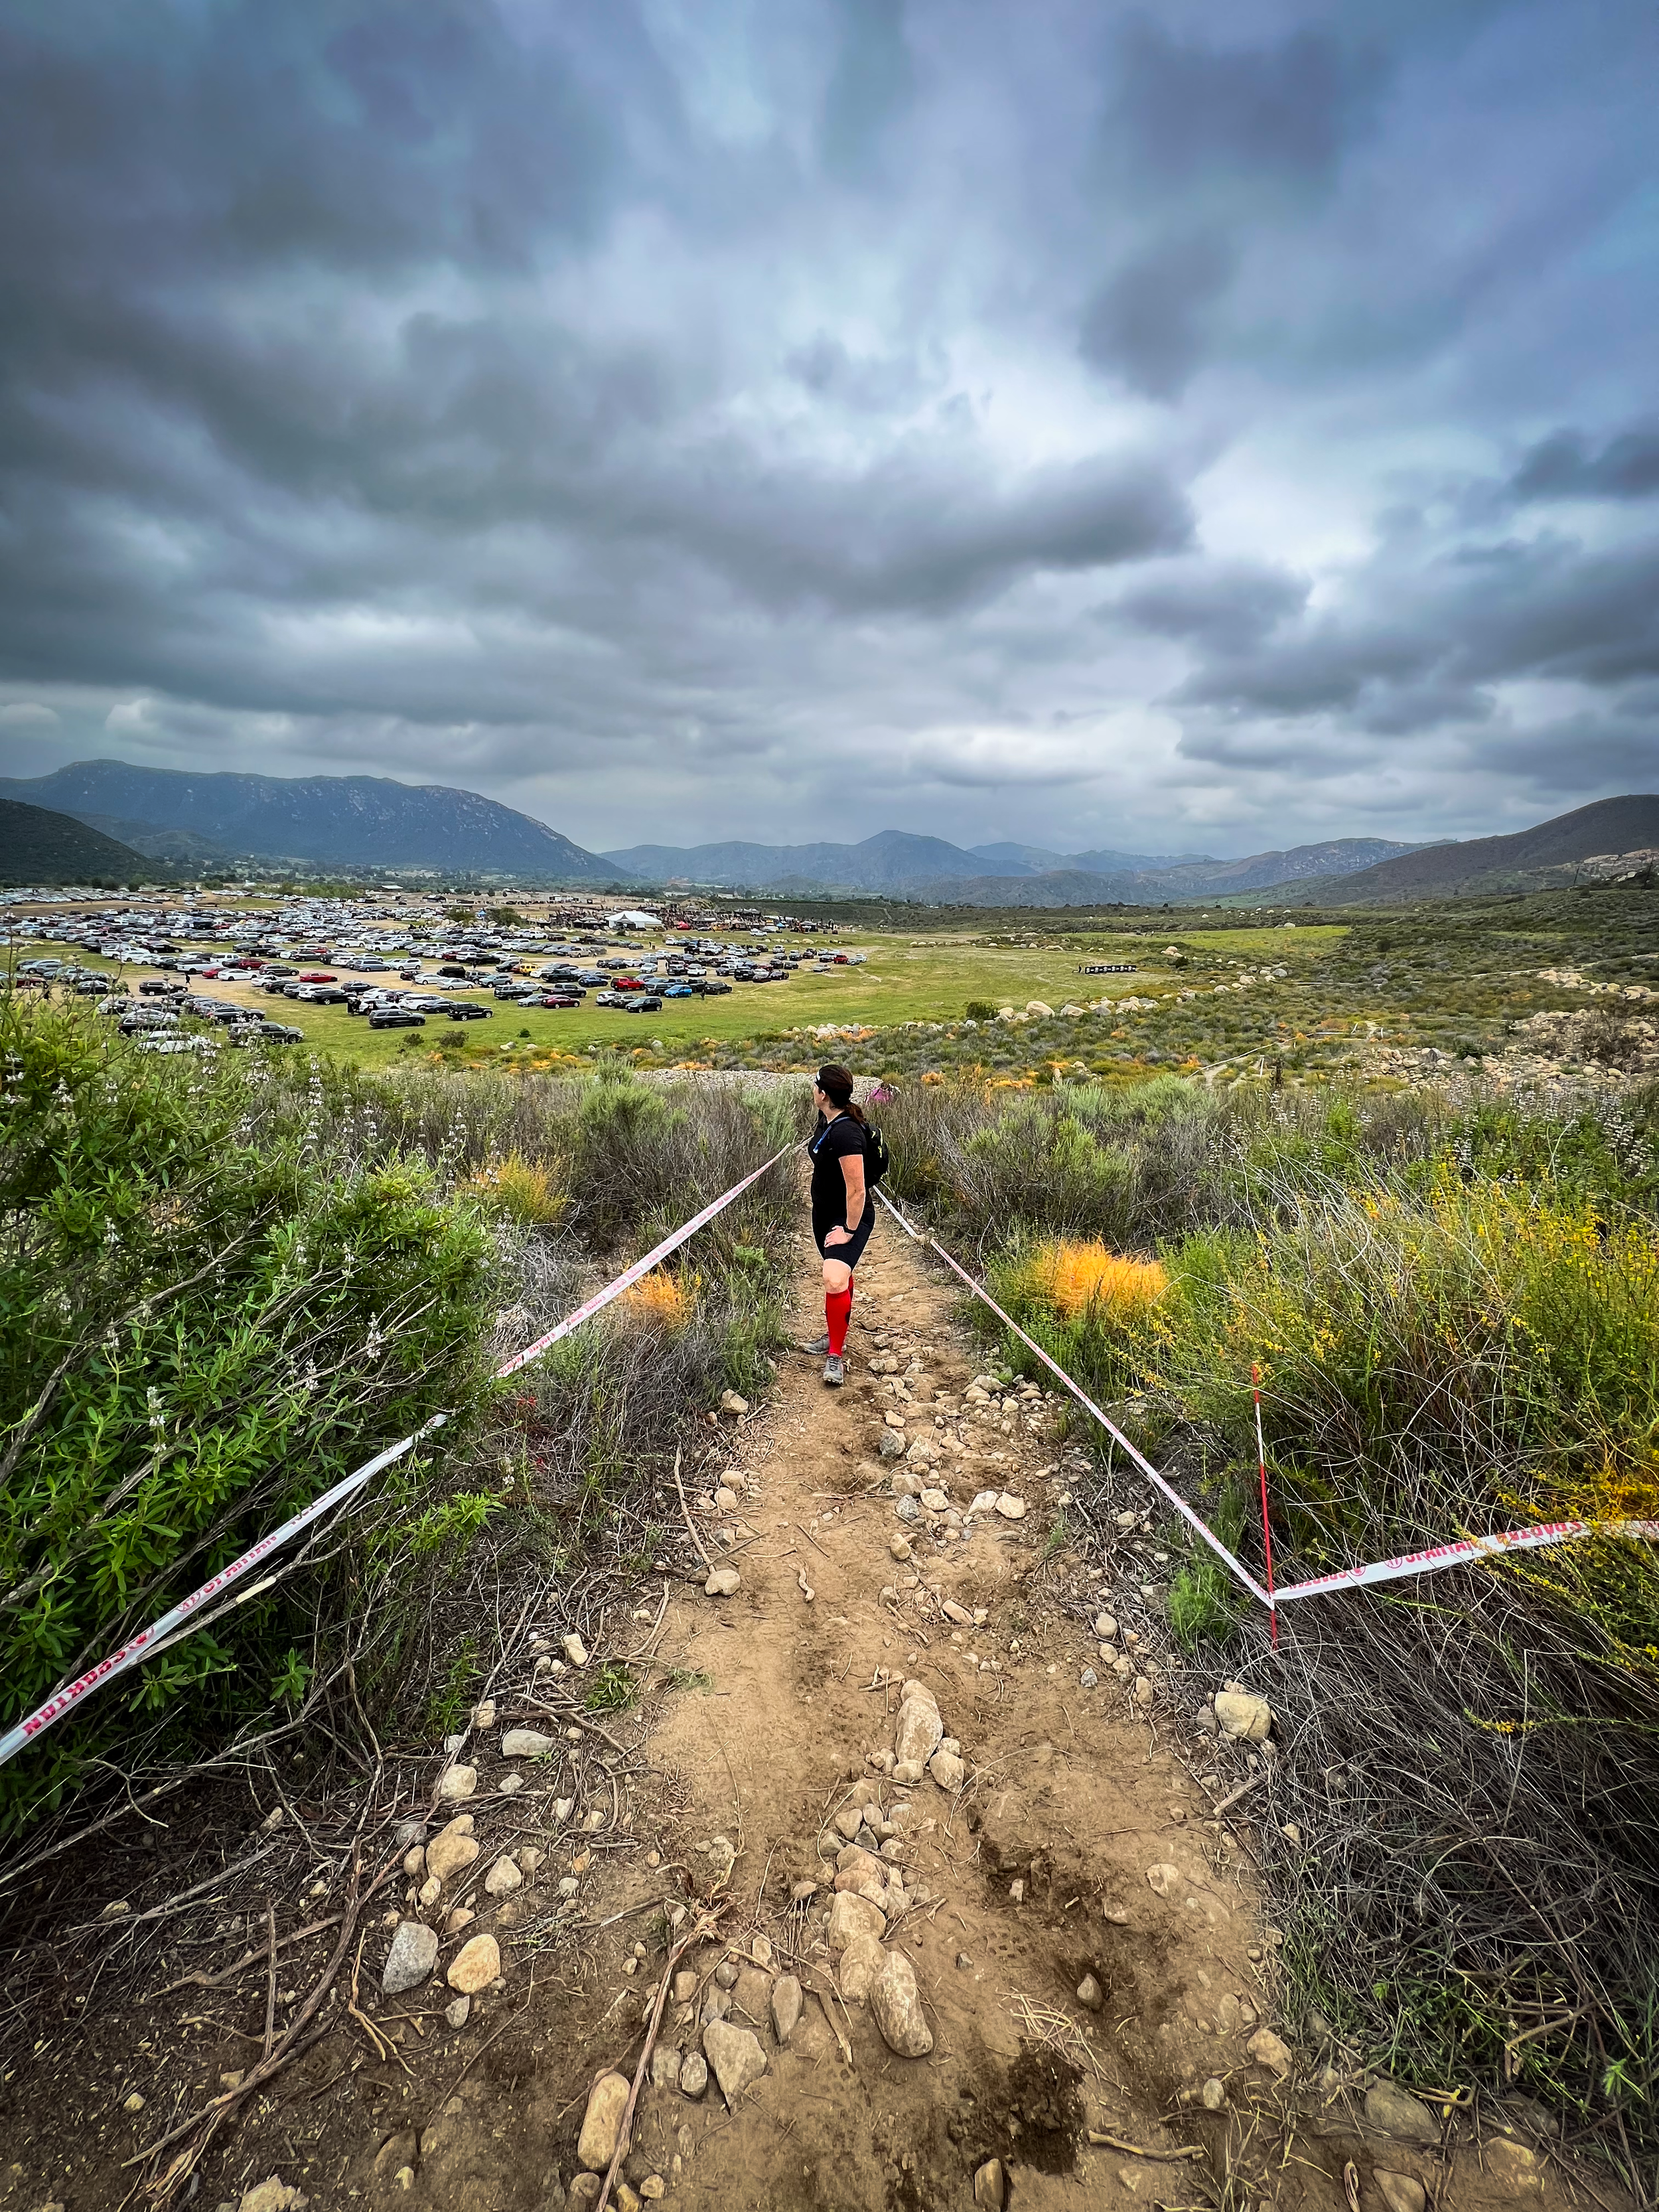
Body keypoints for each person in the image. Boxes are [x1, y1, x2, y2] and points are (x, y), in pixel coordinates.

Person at [805, 1063, 874, 1386]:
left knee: (833, 1278)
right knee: (839, 1276)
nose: (813, 1089)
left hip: (848, 1216)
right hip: (824, 1213)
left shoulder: (847, 1133)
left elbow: (858, 1189)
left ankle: (835, 1355)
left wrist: (848, 1229)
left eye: (816, 1085)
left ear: (824, 1094)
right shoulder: (828, 1118)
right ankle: (836, 1331)